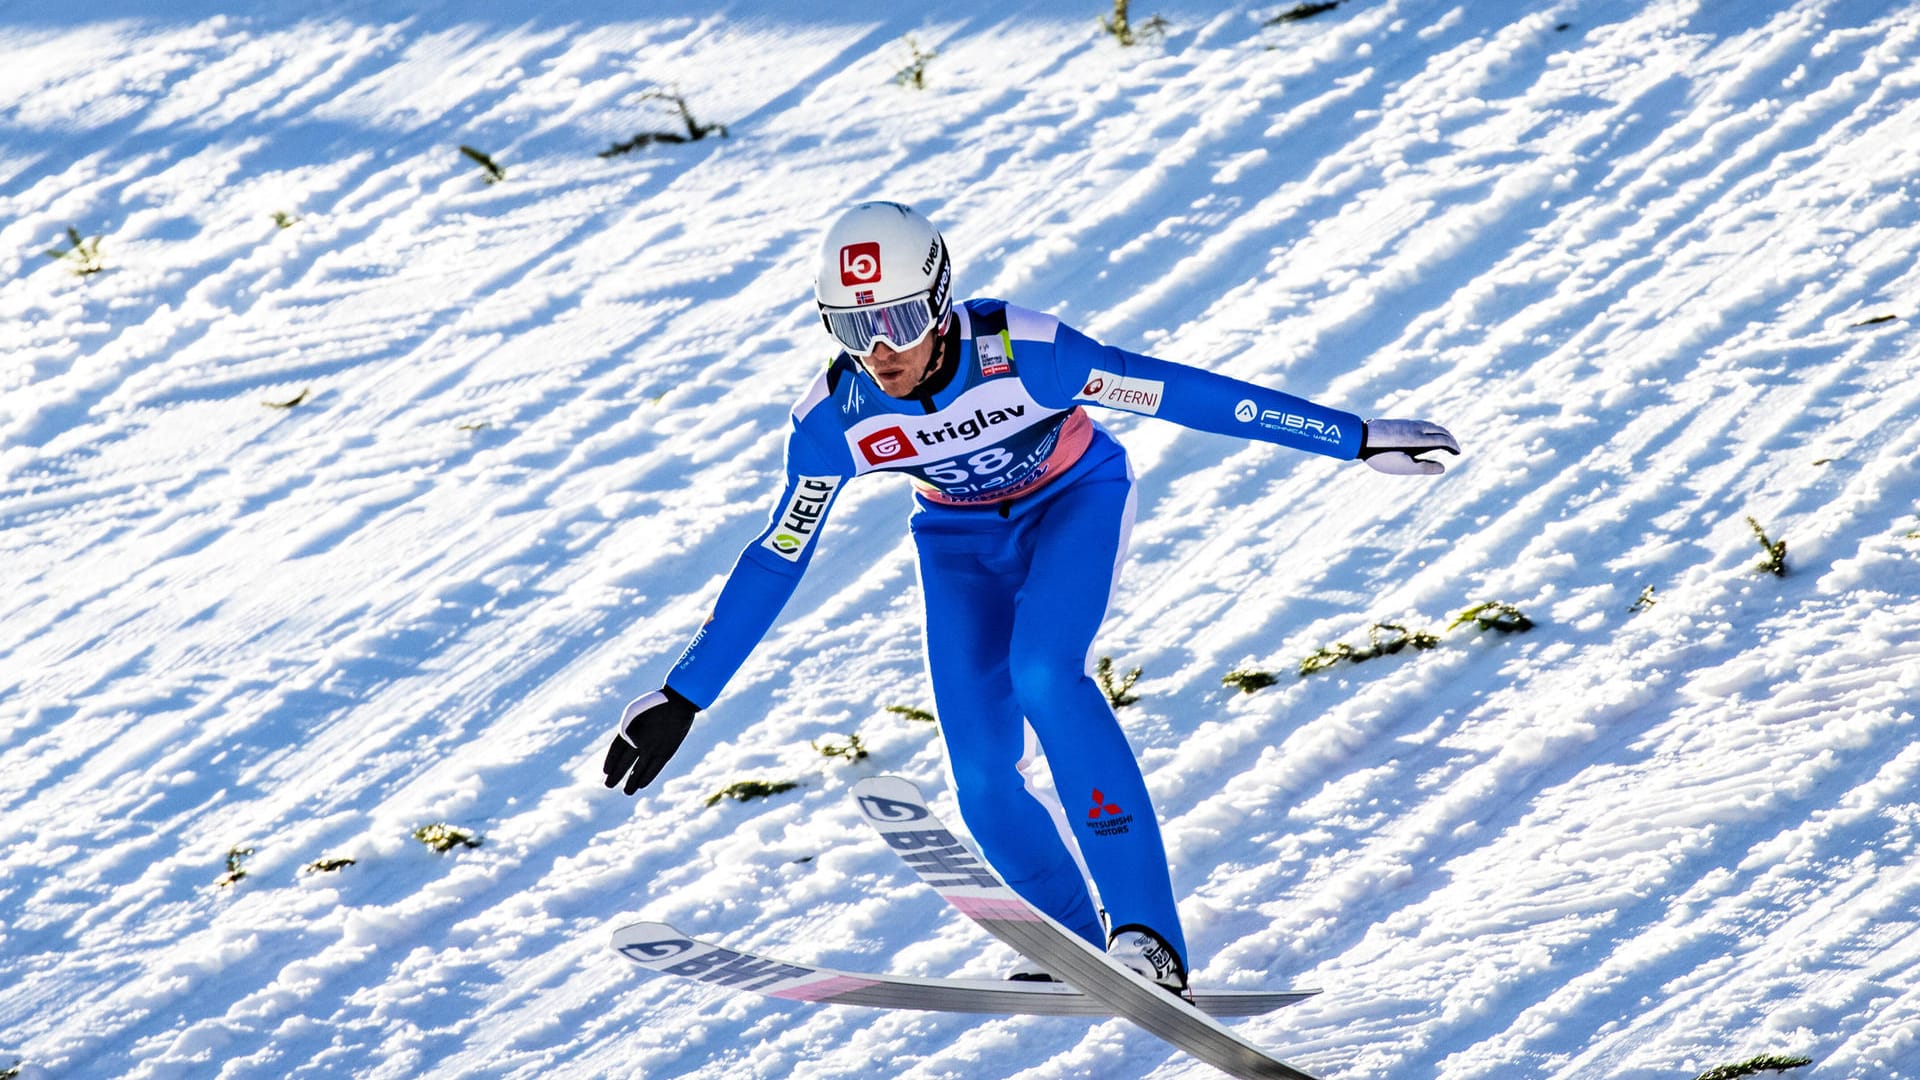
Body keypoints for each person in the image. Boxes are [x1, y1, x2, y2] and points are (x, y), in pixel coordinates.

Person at [603, 201, 1459, 992]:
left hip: (1072, 504)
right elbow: (779, 554)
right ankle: (1077, 946)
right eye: (854, 329)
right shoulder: (836, 417)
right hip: (959, 543)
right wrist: (686, 693)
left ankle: (1148, 939)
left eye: (898, 322)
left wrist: (1352, 438)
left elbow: (1188, 394)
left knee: (1045, 673)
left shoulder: (1029, 352)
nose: (882, 352)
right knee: (980, 778)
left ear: (940, 304)